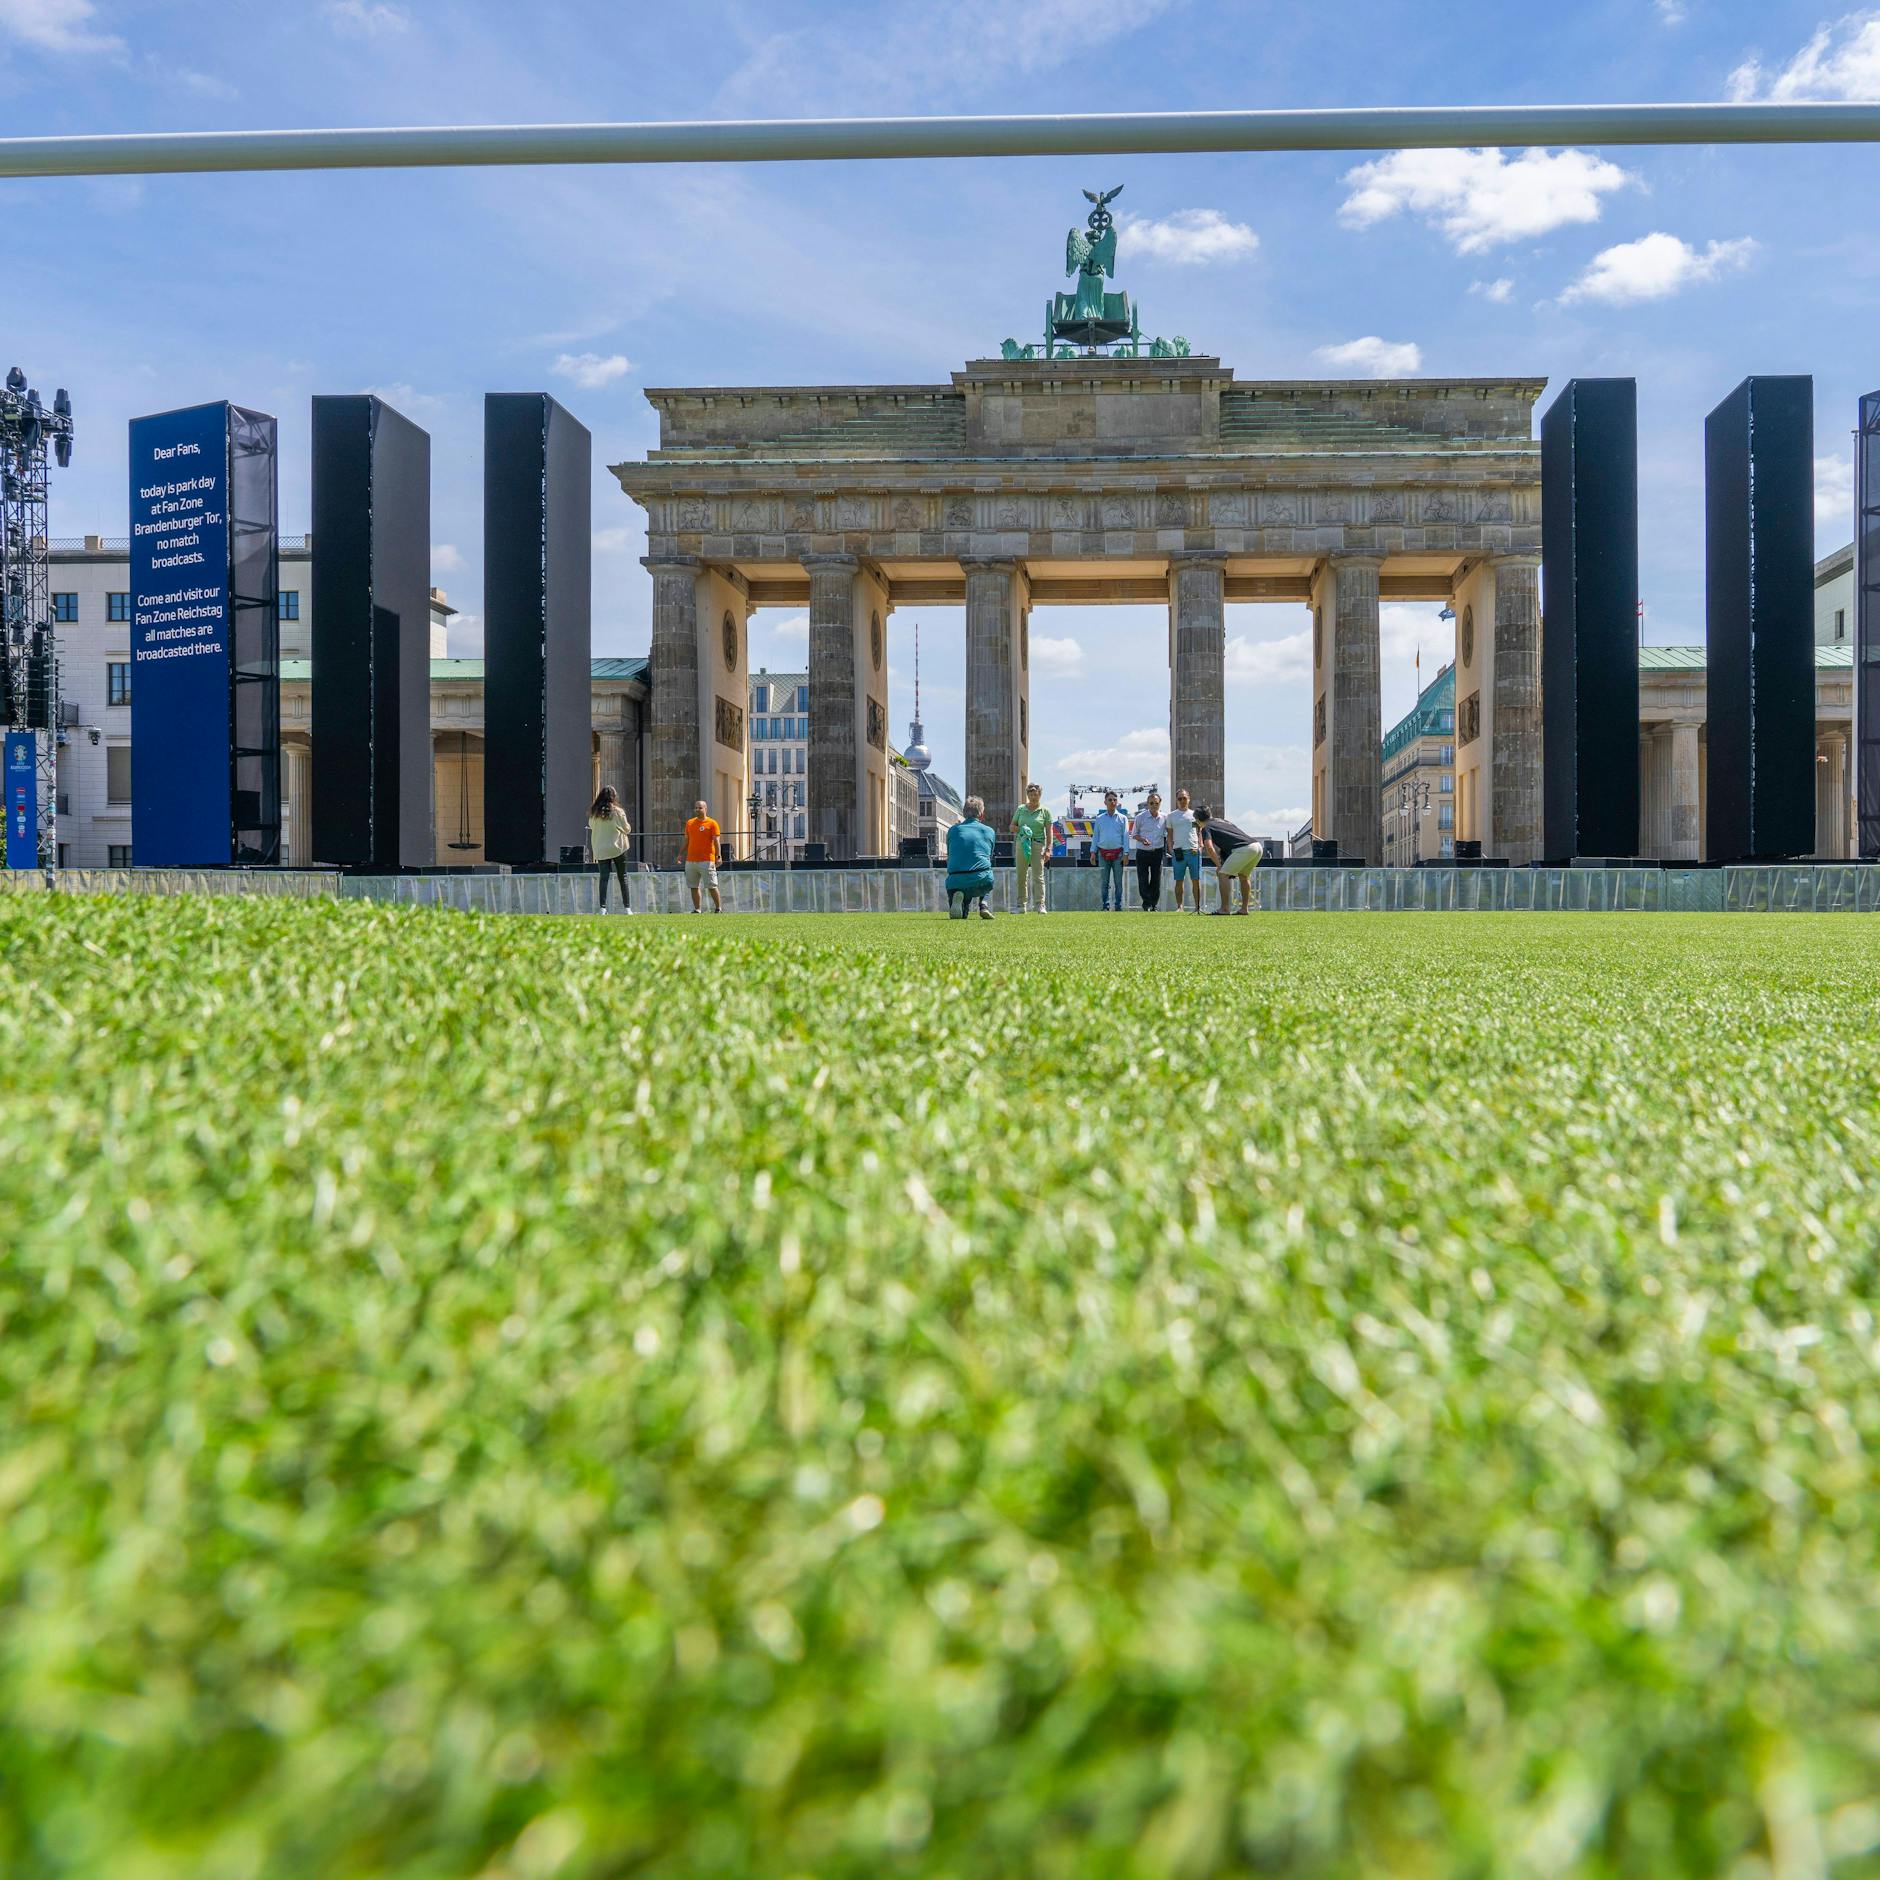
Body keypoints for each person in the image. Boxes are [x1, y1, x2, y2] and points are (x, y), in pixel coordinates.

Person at [1198, 805, 1262, 915]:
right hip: (1257, 846)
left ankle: (1225, 908)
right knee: (1243, 876)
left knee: (1223, 874)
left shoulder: (1206, 826)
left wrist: (1219, 865)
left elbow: (1208, 846)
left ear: (1198, 820)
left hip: (1244, 849)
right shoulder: (1224, 821)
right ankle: (1244, 909)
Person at [945, 795, 997, 920]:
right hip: (981, 878)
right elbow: (989, 855)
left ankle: (960, 900)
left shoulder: (953, 830)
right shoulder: (989, 831)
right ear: (982, 814)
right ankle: (983, 904)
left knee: (962, 889)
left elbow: (950, 854)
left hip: (955, 879)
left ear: (964, 813)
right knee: (986, 871)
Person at [588, 784, 633, 915]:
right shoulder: (618, 812)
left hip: (601, 849)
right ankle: (627, 908)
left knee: (603, 878)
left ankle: (602, 908)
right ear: (614, 797)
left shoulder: (594, 813)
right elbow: (627, 829)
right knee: (623, 877)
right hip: (618, 848)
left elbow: (591, 826)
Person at [1011, 781, 1053, 915]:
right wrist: (1021, 829)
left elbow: (1049, 831)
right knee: (1021, 875)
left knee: (1038, 876)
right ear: (1027, 795)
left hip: (1037, 844)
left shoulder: (1045, 811)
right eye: (1030, 794)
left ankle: (1040, 904)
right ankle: (1021, 905)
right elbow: (1012, 826)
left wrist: (1048, 849)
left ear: (1040, 794)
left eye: (1035, 794)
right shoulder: (1021, 809)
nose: (1033, 797)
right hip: (1022, 843)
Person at [681, 799, 723, 913]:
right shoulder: (690, 823)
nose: (697, 810)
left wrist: (718, 856)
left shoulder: (712, 823)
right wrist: (680, 854)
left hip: (707, 860)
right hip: (691, 860)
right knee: (693, 886)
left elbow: (716, 841)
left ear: (705, 809)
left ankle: (718, 908)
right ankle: (697, 909)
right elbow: (687, 841)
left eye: (700, 808)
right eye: (696, 808)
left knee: (711, 885)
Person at [1092, 788, 1129, 913]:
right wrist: (1093, 852)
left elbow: (1125, 837)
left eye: (1114, 800)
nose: (1112, 802)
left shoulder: (1123, 818)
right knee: (1104, 882)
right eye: (1110, 800)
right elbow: (1095, 836)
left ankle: (1118, 906)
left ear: (1117, 802)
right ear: (1105, 802)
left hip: (1118, 854)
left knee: (1118, 882)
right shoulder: (1099, 819)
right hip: (1102, 854)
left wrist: (1126, 854)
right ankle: (1105, 906)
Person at [1166, 787, 1202, 913]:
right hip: (1178, 852)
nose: (1182, 800)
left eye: (1184, 798)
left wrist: (1200, 846)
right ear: (1176, 800)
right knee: (1178, 880)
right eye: (1179, 798)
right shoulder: (1171, 816)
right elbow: (1169, 835)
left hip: (1193, 851)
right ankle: (1179, 906)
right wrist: (1171, 848)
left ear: (1189, 799)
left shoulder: (1194, 814)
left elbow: (1199, 832)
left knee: (1196, 880)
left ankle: (1197, 907)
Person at [1131, 790, 1167, 912]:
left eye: (1156, 803)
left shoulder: (1165, 818)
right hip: (1142, 852)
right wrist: (1142, 840)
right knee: (1143, 878)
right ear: (1147, 804)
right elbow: (1134, 835)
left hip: (1157, 851)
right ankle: (1147, 903)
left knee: (1156, 879)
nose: (1154, 805)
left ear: (1160, 803)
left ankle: (1154, 904)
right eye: (1151, 803)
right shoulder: (1140, 817)